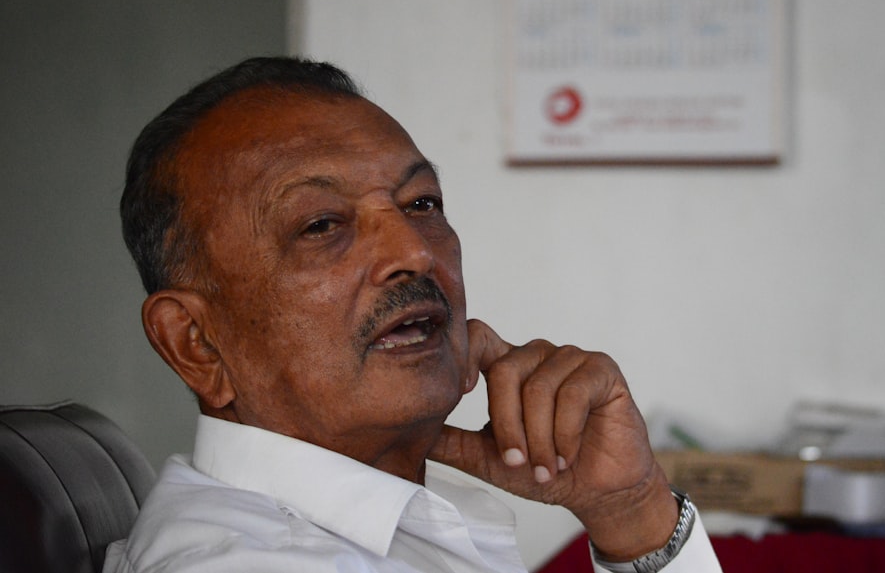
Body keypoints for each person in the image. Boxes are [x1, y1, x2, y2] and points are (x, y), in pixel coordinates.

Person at [104, 56, 722, 573]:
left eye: (421, 202)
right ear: (197, 344)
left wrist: (633, 513)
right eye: (320, 225)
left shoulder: (403, 519)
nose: (414, 251)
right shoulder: (250, 563)